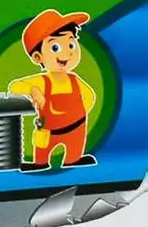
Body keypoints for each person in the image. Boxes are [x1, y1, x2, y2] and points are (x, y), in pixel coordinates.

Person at [9, 9, 97, 169]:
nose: (67, 53)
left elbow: (89, 96)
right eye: (55, 47)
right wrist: (33, 91)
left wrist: (81, 112)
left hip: (76, 128)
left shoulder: (74, 80)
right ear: (38, 57)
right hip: (50, 131)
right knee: (42, 152)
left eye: (71, 44)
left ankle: (73, 159)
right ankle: (40, 163)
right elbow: (14, 86)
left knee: (75, 149)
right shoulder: (42, 81)